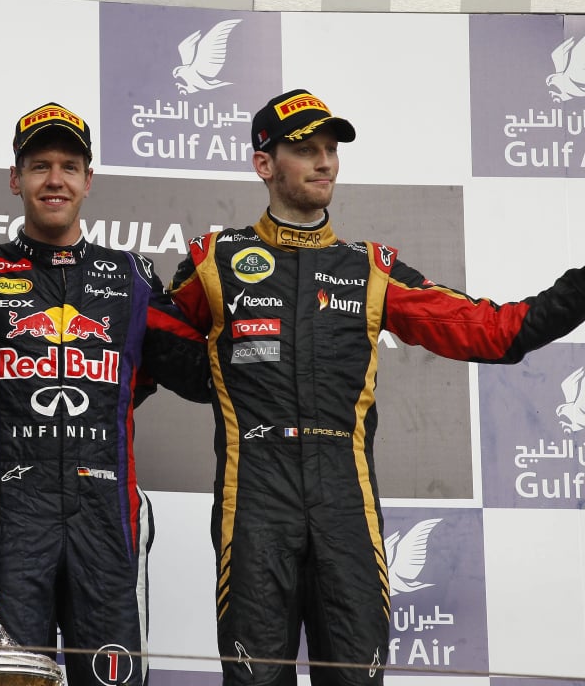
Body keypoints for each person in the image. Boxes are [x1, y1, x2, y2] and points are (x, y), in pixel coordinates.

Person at [168, 88, 585, 686]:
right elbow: (139, 350)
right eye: (305, 150)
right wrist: (214, 373)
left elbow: (495, 332)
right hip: (254, 499)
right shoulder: (212, 261)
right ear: (264, 163)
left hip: (346, 503)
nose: (325, 163)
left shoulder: (370, 269)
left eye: (331, 150)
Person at [0, 103, 211, 686]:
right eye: (40, 166)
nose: (55, 180)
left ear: (88, 179)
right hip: (7, 516)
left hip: (106, 515)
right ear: (15, 178)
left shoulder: (131, 277)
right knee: (10, 678)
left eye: (69, 167)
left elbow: (198, 373)